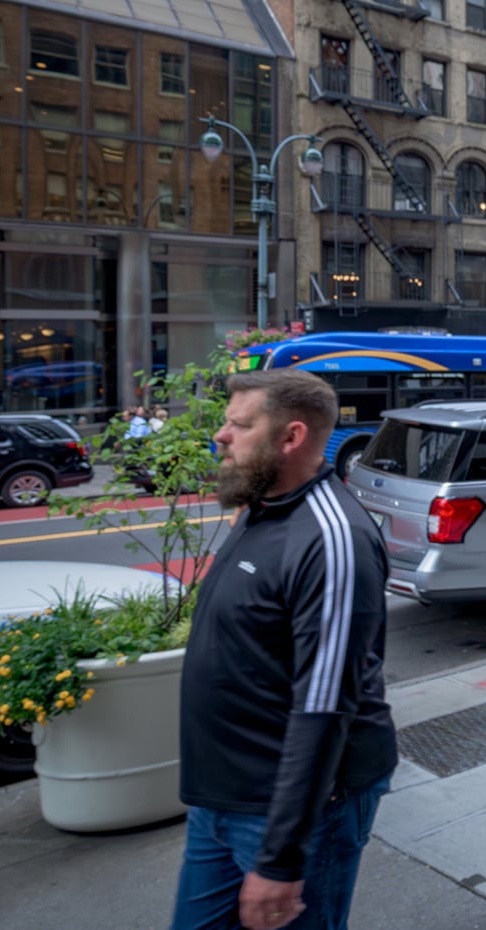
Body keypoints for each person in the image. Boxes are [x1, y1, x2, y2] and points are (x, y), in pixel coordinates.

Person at [171, 369, 397, 930]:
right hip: (219, 801)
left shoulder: (331, 538)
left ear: (291, 437)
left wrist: (281, 855)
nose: (221, 435)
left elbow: (324, 704)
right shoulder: (260, 510)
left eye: (240, 424)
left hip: (296, 814)